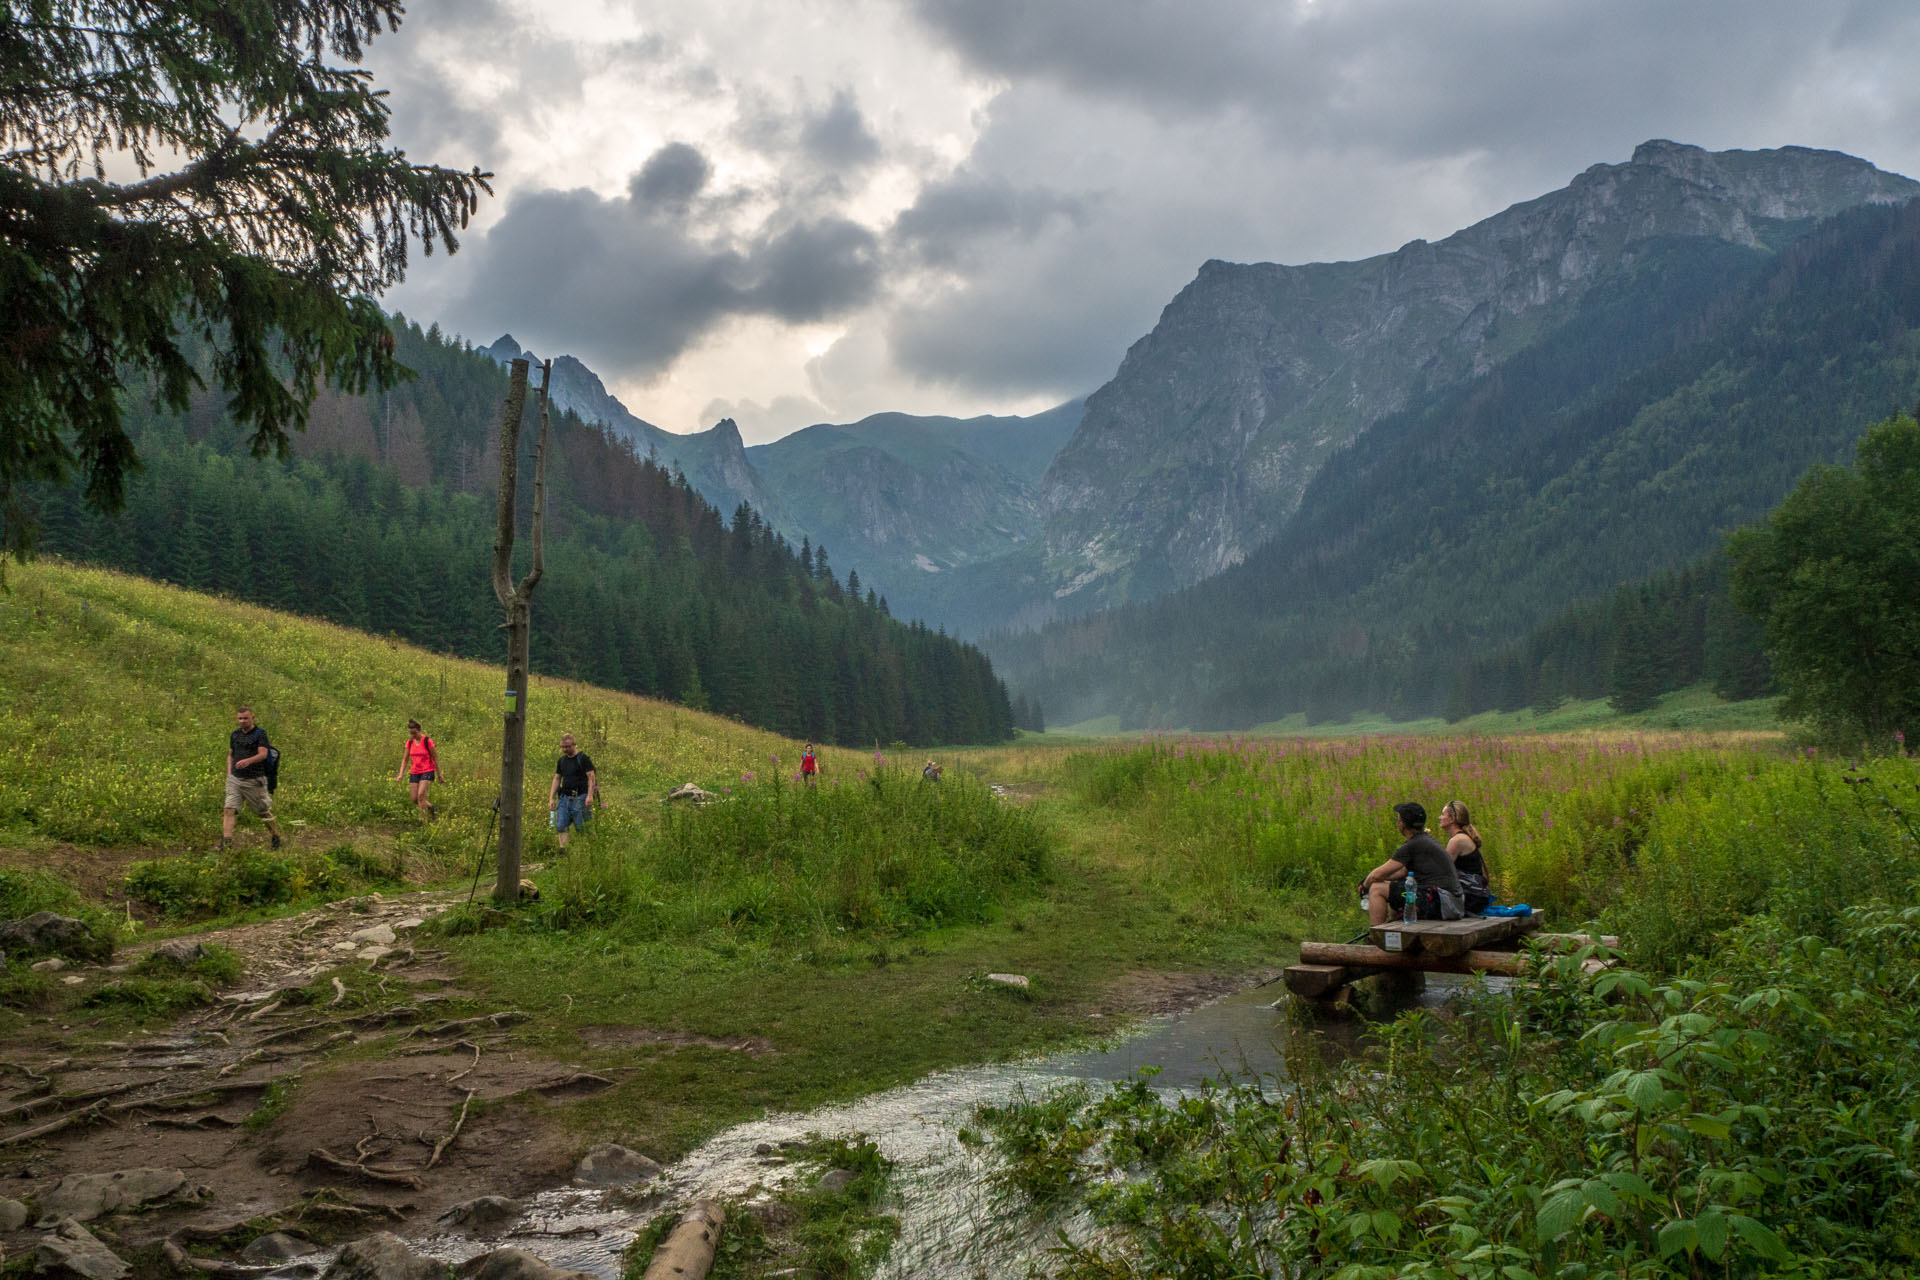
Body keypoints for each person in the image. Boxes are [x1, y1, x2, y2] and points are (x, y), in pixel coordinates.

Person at [1357, 801, 1463, 925]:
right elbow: (1401, 872)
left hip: (1444, 903)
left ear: (1402, 824)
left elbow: (1377, 874)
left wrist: (1365, 886)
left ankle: (1377, 936)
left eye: (1398, 820)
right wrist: (1374, 879)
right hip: (1452, 903)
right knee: (1395, 885)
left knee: (1377, 889)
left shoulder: (1413, 844)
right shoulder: (1425, 840)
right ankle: (1393, 928)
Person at [222, 705, 282, 851]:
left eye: (245, 718)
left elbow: (263, 754)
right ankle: (226, 843)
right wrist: (230, 772)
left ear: (252, 718)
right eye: (240, 718)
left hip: (254, 780)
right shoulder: (235, 735)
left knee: (263, 812)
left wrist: (248, 760)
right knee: (229, 809)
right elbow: (230, 754)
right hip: (235, 779)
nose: (242, 721)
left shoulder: (260, 734)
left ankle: (275, 836)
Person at [1439, 799, 1493, 914]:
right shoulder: (1463, 837)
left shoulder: (1457, 840)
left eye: (1443, 814)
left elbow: (1442, 870)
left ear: (1452, 819)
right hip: (1476, 895)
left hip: (1471, 898)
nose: (1440, 817)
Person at [547, 732, 597, 849]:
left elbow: (591, 777)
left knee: (583, 828)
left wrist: (590, 795)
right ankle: (564, 852)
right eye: (563, 747)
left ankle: (591, 850)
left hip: (580, 797)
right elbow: (557, 778)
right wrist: (551, 798)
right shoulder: (562, 761)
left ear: (574, 744)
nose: (565, 749)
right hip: (564, 798)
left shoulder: (583, 758)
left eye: (567, 747)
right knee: (561, 826)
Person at [394, 719, 438, 821]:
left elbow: (435, 758)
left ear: (419, 730)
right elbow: (405, 759)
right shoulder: (410, 742)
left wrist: (439, 775)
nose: (413, 735)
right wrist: (400, 774)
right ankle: (431, 807)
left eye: (414, 733)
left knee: (420, 796)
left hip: (427, 770)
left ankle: (422, 820)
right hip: (415, 771)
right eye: (411, 733)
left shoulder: (427, 741)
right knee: (414, 799)